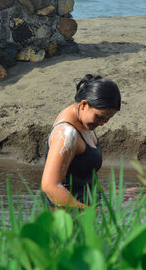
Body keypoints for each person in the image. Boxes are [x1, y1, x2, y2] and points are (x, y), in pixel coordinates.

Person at [41, 74, 121, 208]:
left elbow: (83, 176)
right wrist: (91, 211)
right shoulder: (66, 135)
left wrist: (109, 194)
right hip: (69, 214)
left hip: (90, 202)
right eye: (99, 117)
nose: (102, 123)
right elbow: (50, 186)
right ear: (84, 104)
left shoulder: (84, 121)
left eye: (108, 118)